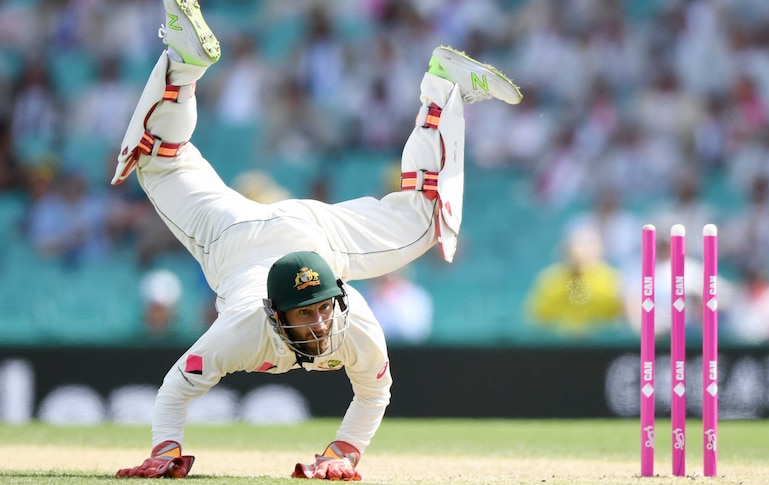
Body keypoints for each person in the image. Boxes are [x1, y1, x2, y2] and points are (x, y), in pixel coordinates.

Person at [113, 0, 521, 481]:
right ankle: (442, 86)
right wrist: (166, 451)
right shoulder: (242, 330)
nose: (322, 322)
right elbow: (176, 388)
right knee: (422, 220)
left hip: (299, 238)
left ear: (339, 292)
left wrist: (340, 452)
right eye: (306, 312)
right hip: (244, 238)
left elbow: (373, 391)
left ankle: (184, 66)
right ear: (274, 313)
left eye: (323, 306)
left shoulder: (349, 314)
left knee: (160, 160)